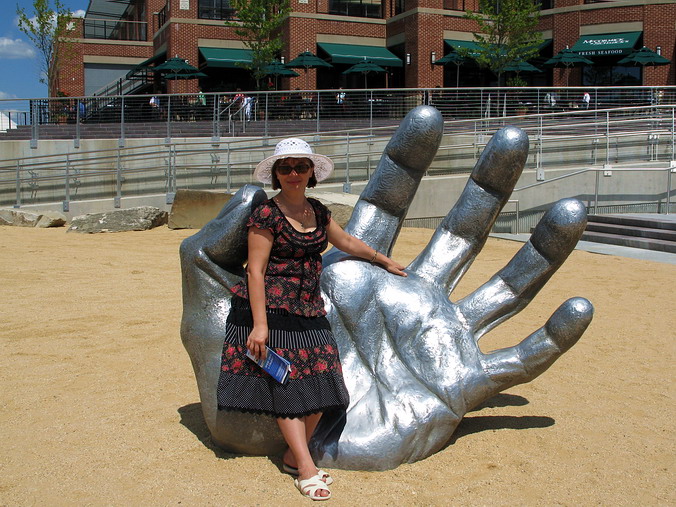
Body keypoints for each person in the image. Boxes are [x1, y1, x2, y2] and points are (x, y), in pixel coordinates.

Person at [216, 138, 407, 501]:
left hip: (308, 308)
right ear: (276, 174)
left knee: (325, 382)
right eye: (286, 167)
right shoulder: (266, 215)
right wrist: (260, 325)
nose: (293, 173)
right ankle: (305, 468)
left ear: (311, 173)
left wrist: (382, 260)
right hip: (271, 310)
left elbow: (346, 241)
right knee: (288, 386)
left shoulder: (317, 211)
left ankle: (293, 457)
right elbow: (255, 271)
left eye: (300, 167)